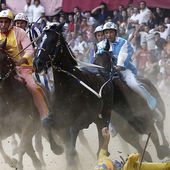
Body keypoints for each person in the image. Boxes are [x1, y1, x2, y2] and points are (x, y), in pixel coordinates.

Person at [96, 21, 162, 121]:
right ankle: (107, 121)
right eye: (106, 33)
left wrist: (119, 66)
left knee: (134, 85)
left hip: (124, 71)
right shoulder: (100, 45)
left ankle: (152, 105)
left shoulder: (123, 42)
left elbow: (123, 56)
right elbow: (97, 59)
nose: (108, 35)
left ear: (115, 32)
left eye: (111, 32)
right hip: (106, 73)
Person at [0, 9, 52, 127]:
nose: (3, 24)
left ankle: (45, 116)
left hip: (22, 68)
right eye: (1, 22)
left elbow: (29, 50)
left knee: (34, 87)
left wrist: (22, 59)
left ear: (11, 23)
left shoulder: (20, 32)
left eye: (6, 22)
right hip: (2, 70)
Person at [94, 127, 170, 170]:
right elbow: (132, 160)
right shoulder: (126, 168)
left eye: (112, 164)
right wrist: (131, 158)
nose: (114, 164)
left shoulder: (101, 162)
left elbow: (102, 153)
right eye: (113, 166)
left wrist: (106, 139)